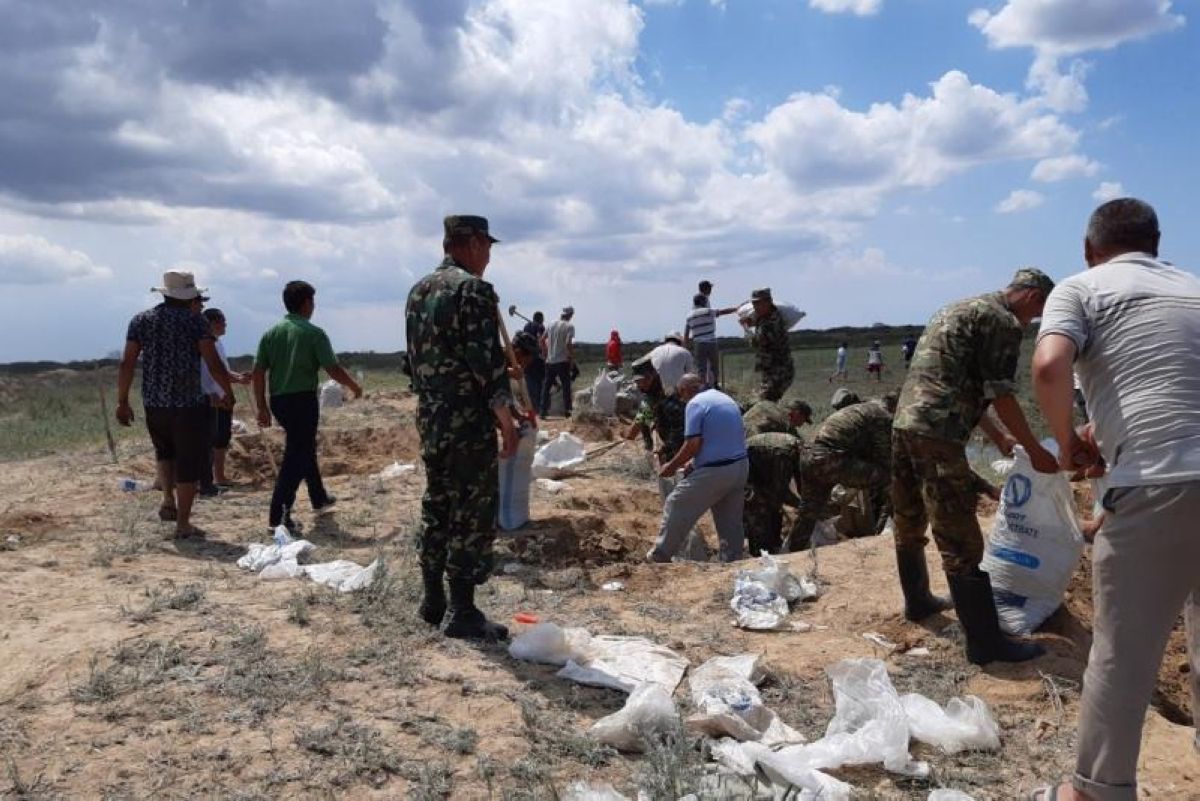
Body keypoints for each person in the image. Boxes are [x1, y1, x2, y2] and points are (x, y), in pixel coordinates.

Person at [1030, 198, 1200, 801]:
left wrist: (1069, 443)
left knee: (1123, 651)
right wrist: (1106, 435)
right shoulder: (1193, 288)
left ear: (1088, 248)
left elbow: (1050, 367)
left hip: (1155, 485)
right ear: (1157, 243)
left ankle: (1096, 792)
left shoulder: (1081, 289)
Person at [892, 267, 1059, 665]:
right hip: (938, 433)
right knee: (960, 537)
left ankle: (917, 602)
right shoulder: (1002, 320)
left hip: (905, 425)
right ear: (1032, 295)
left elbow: (965, 382)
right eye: (1038, 310)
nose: (1032, 319)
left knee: (908, 517)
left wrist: (1000, 437)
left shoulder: (958, 308)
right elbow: (1001, 393)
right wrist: (1035, 448)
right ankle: (985, 644)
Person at [406, 215, 516, 641]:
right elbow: (485, 363)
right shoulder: (472, 289)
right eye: (486, 245)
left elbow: (412, 363)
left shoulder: (419, 290)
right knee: (471, 509)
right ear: (468, 243)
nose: (488, 255)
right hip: (466, 419)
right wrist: (504, 417)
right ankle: (463, 610)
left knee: (438, 503)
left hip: (432, 416)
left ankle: (433, 599)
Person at [116, 270, 233, 539]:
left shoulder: (141, 321)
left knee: (165, 452)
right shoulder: (196, 322)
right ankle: (183, 523)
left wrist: (122, 401)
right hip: (189, 402)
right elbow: (213, 363)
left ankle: (168, 499)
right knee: (189, 461)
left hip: (154, 402)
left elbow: (128, 363)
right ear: (190, 295)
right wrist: (227, 391)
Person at [253, 281, 361, 533]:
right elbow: (332, 368)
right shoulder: (313, 333)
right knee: (296, 458)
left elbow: (259, 372)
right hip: (302, 400)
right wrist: (354, 387)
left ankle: (318, 496)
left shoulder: (271, 333)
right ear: (307, 303)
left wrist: (261, 406)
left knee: (303, 447)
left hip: (279, 400)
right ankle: (278, 517)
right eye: (313, 301)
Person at [649, 374, 748, 563]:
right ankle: (732, 561)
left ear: (685, 390)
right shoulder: (724, 398)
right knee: (729, 521)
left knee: (676, 503)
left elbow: (693, 443)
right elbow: (719, 438)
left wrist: (672, 466)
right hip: (739, 467)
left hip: (717, 471)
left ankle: (659, 556)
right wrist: (694, 463)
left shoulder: (695, 404)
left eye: (681, 394)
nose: (681, 399)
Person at [788, 393, 897, 551]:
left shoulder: (861, 409)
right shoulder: (882, 415)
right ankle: (884, 536)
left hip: (809, 457)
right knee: (889, 479)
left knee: (809, 510)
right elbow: (885, 457)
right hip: (830, 459)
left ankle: (793, 550)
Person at [199, 307, 249, 494]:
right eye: (223, 321)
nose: (225, 324)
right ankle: (208, 479)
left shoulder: (218, 343)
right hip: (213, 396)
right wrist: (235, 380)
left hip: (222, 395)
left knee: (222, 437)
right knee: (212, 439)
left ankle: (219, 476)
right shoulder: (205, 344)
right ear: (213, 323)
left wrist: (238, 377)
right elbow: (215, 371)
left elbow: (224, 371)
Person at [743, 431, 805, 555]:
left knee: (774, 507)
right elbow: (779, 491)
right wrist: (801, 505)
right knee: (759, 509)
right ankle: (759, 553)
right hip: (745, 470)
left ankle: (773, 545)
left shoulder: (799, 453)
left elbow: (801, 483)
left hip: (760, 468)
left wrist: (806, 501)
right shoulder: (785, 455)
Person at [741, 288, 794, 402]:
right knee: (767, 404)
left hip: (779, 373)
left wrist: (745, 327)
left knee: (763, 403)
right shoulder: (766, 317)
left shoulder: (771, 323)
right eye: (754, 303)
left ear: (768, 302)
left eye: (758, 303)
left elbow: (756, 342)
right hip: (772, 371)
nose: (755, 306)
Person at [684, 293, 738, 388]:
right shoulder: (708, 311)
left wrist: (686, 347)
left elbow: (686, 334)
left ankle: (702, 386)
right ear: (704, 302)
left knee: (701, 367)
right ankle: (715, 384)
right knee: (714, 366)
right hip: (711, 342)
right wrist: (736, 308)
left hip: (698, 344)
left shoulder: (689, 316)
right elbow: (723, 312)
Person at [541, 306, 575, 418]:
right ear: (570, 315)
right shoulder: (569, 326)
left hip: (550, 361)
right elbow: (567, 344)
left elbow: (541, 340)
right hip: (562, 361)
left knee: (546, 387)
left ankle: (542, 412)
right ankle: (568, 412)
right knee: (566, 387)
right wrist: (571, 359)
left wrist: (545, 354)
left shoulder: (551, 324)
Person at [648, 332, 695, 397]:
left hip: (656, 392)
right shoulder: (685, 352)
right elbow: (690, 375)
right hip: (676, 393)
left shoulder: (654, 351)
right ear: (679, 341)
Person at [521, 311, 546, 411]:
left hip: (527, 359)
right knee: (540, 385)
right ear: (541, 319)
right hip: (538, 360)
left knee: (531, 386)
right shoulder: (541, 327)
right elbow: (542, 342)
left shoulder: (526, 326)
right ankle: (541, 408)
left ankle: (534, 408)